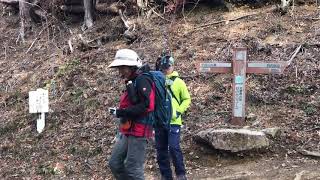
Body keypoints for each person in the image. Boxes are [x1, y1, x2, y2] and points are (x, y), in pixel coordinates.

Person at [107, 49, 155, 180]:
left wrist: (121, 112)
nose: (120, 72)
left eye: (122, 68)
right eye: (119, 68)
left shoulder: (142, 80)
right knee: (115, 163)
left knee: (133, 169)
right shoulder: (132, 81)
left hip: (140, 131)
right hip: (127, 130)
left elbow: (147, 106)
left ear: (131, 66)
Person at [155, 54, 191, 180]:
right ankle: (166, 176)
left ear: (173, 66)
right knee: (161, 151)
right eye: (164, 67)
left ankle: (181, 174)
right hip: (160, 121)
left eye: (168, 66)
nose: (166, 69)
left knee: (174, 147)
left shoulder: (179, 82)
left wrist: (178, 111)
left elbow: (186, 99)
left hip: (174, 121)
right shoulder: (157, 80)